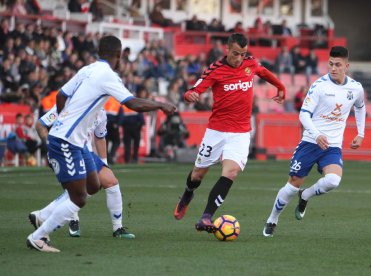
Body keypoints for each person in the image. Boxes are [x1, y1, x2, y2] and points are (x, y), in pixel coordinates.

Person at [26, 35, 176, 253]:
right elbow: (132, 103)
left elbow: (61, 95)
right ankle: (39, 236)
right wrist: (160, 105)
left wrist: (61, 118)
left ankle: (44, 215)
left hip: (75, 143)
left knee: (94, 185)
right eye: (121, 56)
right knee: (79, 199)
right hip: (66, 142)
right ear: (118, 55)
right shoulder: (108, 75)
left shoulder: (87, 69)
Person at [173, 33, 286, 233]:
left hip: (241, 133)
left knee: (231, 172)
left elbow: (263, 72)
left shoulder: (250, 63)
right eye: (235, 54)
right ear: (227, 50)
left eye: (243, 54)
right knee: (198, 174)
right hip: (216, 131)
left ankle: (207, 216)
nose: (239, 58)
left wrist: (280, 87)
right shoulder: (215, 70)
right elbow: (196, 89)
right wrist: (190, 95)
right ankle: (188, 194)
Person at [263, 46, 366, 237]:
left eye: (337, 65)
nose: (333, 68)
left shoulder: (355, 88)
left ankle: (306, 195)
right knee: (292, 184)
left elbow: (360, 107)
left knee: (333, 180)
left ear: (346, 66)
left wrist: (361, 133)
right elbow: (303, 115)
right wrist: (317, 134)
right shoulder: (319, 86)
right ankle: (272, 218)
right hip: (311, 142)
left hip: (332, 145)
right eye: (330, 64)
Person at [30, 107, 135, 239]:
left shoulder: (101, 112)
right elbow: (41, 124)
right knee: (78, 190)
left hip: (86, 152)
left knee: (109, 182)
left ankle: (117, 228)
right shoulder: (71, 103)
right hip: (67, 150)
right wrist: (49, 147)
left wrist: (104, 163)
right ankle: (58, 218)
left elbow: (100, 137)